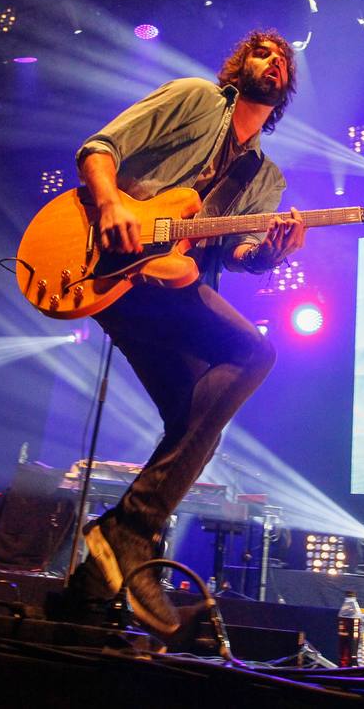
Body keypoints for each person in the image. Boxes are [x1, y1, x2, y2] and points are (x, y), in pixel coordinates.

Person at [66, 31, 306, 637]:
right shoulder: (196, 99)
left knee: (197, 424)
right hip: (113, 264)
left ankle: (87, 592)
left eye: (283, 60)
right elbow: (100, 148)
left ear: (286, 88)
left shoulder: (266, 178)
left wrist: (269, 253)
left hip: (169, 285)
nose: (273, 62)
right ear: (240, 65)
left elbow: (239, 251)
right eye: (263, 52)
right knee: (253, 352)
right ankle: (131, 531)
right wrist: (110, 203)